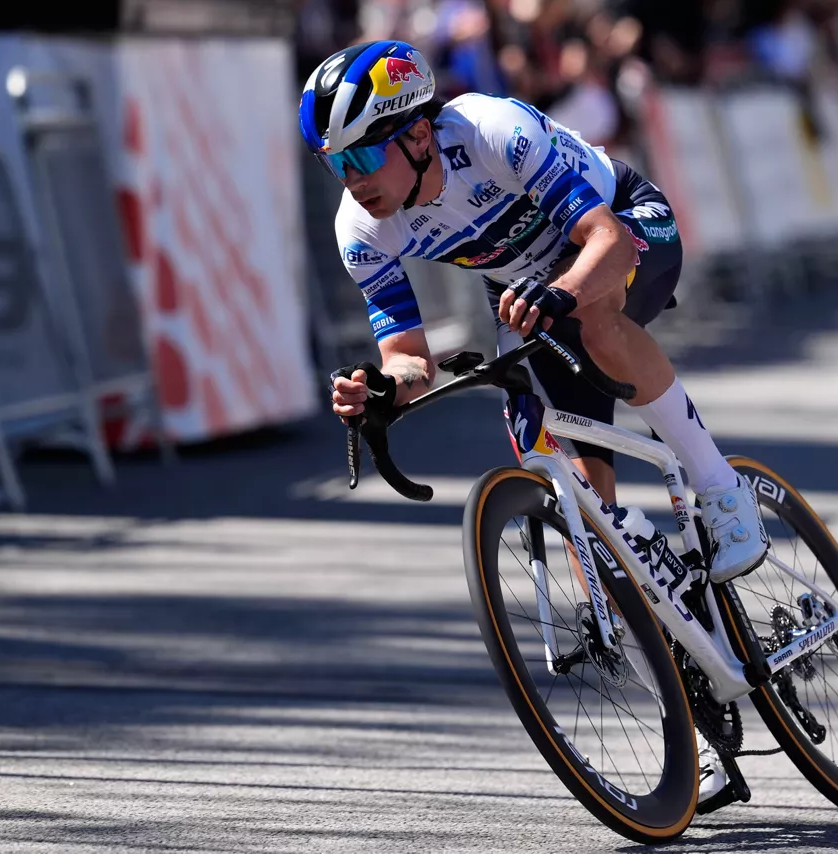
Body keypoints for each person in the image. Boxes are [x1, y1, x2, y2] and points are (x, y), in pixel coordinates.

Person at [300, 39, 767, 803]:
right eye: (335, 166)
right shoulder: (361, 228)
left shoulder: (489, 130)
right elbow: (409, 357)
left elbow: (608, 244)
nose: (352, 182)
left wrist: (562, 293)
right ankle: (685, 679)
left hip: (622, 231)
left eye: (362, 159)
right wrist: (380, 392)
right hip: (528, 289)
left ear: (418, 136)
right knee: (568, 487)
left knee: (594, 323)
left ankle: (719, 488)